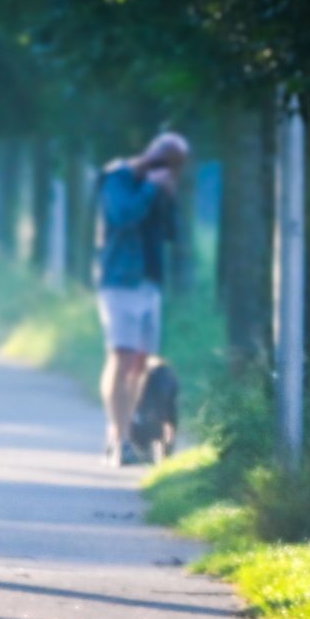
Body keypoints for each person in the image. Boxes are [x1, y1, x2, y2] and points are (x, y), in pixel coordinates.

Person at [95, 130, 190, 464]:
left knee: (139, 364)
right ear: (151, 153)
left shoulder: (161, 188)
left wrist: (170, 195)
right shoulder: (118, 177)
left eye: (176, 165)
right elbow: (123, 217)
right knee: (121, 358)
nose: (168, 168)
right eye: (164, 160)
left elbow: (175, 234)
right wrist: (151, 187)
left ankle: (122, 435)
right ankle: (119, 439)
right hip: (120, 280)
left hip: (150, 282)